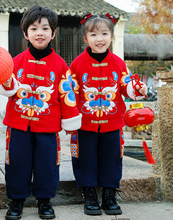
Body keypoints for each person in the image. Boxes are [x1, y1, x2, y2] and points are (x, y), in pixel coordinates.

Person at [0, 5, 81, 220]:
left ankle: (45, 201)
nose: (40, 33)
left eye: (45, 28)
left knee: (47, 164)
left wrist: (70, 122)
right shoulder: (14, 62)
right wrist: (7, 82)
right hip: (18, 125)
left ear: (53, 33)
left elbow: (67, 95)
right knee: (16, 162)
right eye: (34, 28)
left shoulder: (61, 65)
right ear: (25, 33)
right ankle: (16, 201)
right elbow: (8, 88)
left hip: (48, 126)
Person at [69, 13, 147, 216]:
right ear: (85, 38)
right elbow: (70, 92)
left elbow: (126, 87)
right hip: (85, 124)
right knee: (85, 158)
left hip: (112, 123)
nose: (99, 38)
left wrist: (137, 88)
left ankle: (110, 195)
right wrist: (69, 118)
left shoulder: (119, 63)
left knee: (112, 159)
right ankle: (90, 195)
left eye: (104, 33)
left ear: (111, 37)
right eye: (93, 34)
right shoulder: (76, 64)